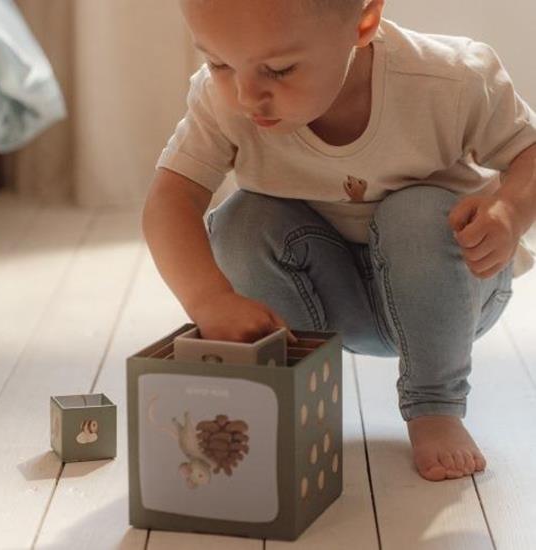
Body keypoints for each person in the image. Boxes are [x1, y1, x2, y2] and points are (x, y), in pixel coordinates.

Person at [142, 0, 536, 482]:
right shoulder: (222, 101)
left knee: (412, 213)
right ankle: (295, 390)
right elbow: (170, 199)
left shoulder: (449, 79)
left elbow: (529, 152)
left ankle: (436, 405)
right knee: (241, 219)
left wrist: (510, 210)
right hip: (332, 295)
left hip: (452, 288)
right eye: (218, 63)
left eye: (280, 69)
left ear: (363, 22)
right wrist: (209, 298)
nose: (247, 96)